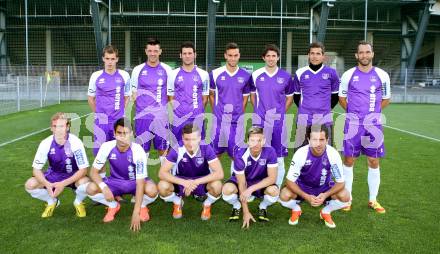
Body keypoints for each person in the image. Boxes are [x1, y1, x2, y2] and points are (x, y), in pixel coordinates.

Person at [338, 41, 391, 213]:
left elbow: (386, 99)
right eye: (361, 52)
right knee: (349, 161)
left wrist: (372, 114)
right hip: (352, 125)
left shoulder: (382, 75)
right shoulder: (348, 75)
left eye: (367, 52)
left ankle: (373, 200)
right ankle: (348, 199)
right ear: (356, 55)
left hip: (373, 126)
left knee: (373, 161)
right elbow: (342, 99)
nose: (364, 55)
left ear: (372, 54)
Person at [86, 118, 158, 232]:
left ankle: (143, 206)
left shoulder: (138, 151)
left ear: (132, 134)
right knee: (90, 188)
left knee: (152, 190)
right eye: (119, 133)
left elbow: (140, 183)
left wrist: (136, 211)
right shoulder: (106, 146)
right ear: (114, 134)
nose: (122, 136)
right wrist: (104, 188)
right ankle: (113, 206)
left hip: (135, 182)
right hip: (115, 182)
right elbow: (93, 172)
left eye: (126, 133)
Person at [279, 125, 350, 228]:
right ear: (308, 140)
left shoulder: (333, 154)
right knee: (284, 195)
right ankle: (296, 209)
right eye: (314, 139)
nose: (318, 144)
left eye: (322, 140)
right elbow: (290, 181)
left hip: (324, 187)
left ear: (327, 140)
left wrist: (325, 195)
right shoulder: (301, 153)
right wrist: (306, 196)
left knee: (345, 196)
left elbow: (341, 182)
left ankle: (326, 211)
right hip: (303, 186)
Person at [25, 112, 90, 218]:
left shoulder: (75, 142)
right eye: (55, 126)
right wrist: (46, 183)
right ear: (51, 128)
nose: (58, 130)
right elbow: (36, 170)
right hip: (54, 174)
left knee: (85, 183)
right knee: (30, 185)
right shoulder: (46, 143)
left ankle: (78, 202)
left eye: (61, 126)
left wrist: (63, 184)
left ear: (67, 127)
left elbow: (83, 170)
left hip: (73, 175)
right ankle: (52, 201)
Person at [158, 123, 223, 220]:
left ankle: (207, 204)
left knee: (217, 186)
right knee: (162, 186)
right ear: (182, 138)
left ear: (199, 138)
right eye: (187, 139)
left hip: (202, 181)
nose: (190, 143)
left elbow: (219, 173)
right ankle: (177, 202)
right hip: (181, 181)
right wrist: (185, 182)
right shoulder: (177, 149)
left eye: (194, 139)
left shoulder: (206, 148)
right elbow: (162, 173)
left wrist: (195, 182)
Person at [250, 44, 294, 187]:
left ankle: (276, 188)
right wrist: (258, 111)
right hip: (260, 123)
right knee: (257, 155)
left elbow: (289, 98)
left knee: (279, 157)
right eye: (268, 56)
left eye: (273, 56)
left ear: (278, 57)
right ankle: (258, 185)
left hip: (278, 123)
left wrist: (280, 113)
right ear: (263, 58)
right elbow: (252, 96)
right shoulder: (256, 75)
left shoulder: (286, 76)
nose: (271, 58)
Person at [222, 127, 279, 228]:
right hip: (243, 179)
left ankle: (263, 207)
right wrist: (246, 212)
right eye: (252, 140)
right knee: (227, 190)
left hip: (260, 181)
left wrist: (251, 189)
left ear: (264, 141)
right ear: (247, 141)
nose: (256, 144)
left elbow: (272, 178)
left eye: (259, 140)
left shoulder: (270, 151)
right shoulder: (240, 154)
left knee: (274, 191)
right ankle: (236, 205)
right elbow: (242, 183)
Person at [87, 45, 131, 175]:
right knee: (99, 153)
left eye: (112, 59)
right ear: (103, 59)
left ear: (117, 59)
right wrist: (99, 114)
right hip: (101, 122)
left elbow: (127, 95)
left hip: (118, 121)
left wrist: (121, 110)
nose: (110, 62)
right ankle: (102, 180)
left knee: (119, 151)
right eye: (107, 58)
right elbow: (90, 97)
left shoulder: (124, 75)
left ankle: (117, 179)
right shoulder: (96, 76)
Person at [209, 42, 252, 173]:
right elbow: (211, 95)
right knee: (215, 155)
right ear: (225, 56)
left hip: (236, 123)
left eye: (235, 55)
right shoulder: (215, 74)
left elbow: (245, 98)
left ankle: (233, 184)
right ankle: (212, 185)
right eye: (230, 55)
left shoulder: (245, 76)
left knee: (237, 156)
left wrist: (238, 113)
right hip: (218, 122)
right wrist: (217, 111)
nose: (233, 58)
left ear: (239, 56)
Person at [131, 38, 173, 163]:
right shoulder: (137, 70)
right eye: (150, 51)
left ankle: (166, 181)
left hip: (161, 118)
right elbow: (134, 94)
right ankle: (141, 181)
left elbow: (171, 95)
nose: (153, 53)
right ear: (146, 51)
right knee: (141, 153)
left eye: (155, 51)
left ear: (160, 51)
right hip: (143, 119)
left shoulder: (167, 70)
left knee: (164, 151)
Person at [292, 42, 340, 149]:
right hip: (304, 119)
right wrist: (306, 108)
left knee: (326, 154)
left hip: (324, 119)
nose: (315, 56)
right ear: (308, 55)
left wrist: (325, 108)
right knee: (301, 153)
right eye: (312, 53)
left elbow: (335, 96)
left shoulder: (332, 73)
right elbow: (296, 97)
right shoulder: (300, 73)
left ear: (323, 56)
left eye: (318, 53)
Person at [167, 41, 210, 146]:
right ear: (180, 55)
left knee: (198, 150)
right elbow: (170, 97)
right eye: (185, 53)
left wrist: (195, 110)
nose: (187, 56)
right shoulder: (173, 74)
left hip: (197, 119)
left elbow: (205, 98)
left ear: (195, 55)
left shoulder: (204, 74)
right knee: (177, 150)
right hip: (179, 119)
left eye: (190, 53)